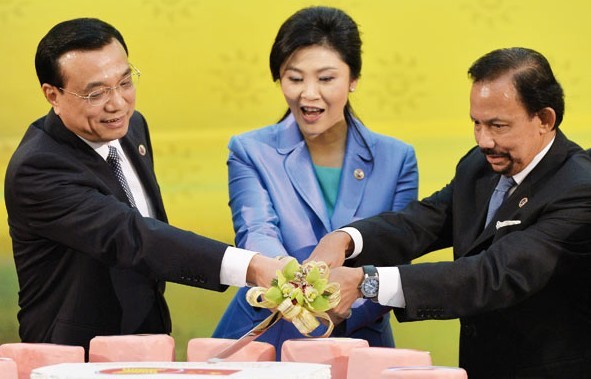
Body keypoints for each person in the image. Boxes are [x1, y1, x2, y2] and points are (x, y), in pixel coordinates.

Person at [3, 17, 284, 355]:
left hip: (147, 339)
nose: (118, 103)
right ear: (53, 95)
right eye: (96, 93)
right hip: (77, 353)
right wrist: (253, 266)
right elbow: (134, 236)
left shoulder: (130, 126)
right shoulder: (38, 168)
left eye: (125, 82)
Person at [310, 47, 591, 378]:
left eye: (498, 125)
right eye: (476, 123)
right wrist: (346, 239)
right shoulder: (479, 166)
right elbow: (422, 222)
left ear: (544, 119)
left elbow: (492, 275)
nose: (483, 140)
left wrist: (367, 282)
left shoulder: (579, 188)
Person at [212, 6, 418, 356]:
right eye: (294, 78)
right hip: (263, 333)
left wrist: (336, 311)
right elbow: (256, 232)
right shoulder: (250, 150)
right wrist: (294, 296)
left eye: (325, 79)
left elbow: (393, 258)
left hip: (357, 338)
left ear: (353, 79)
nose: (308, 94)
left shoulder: (397, 159)